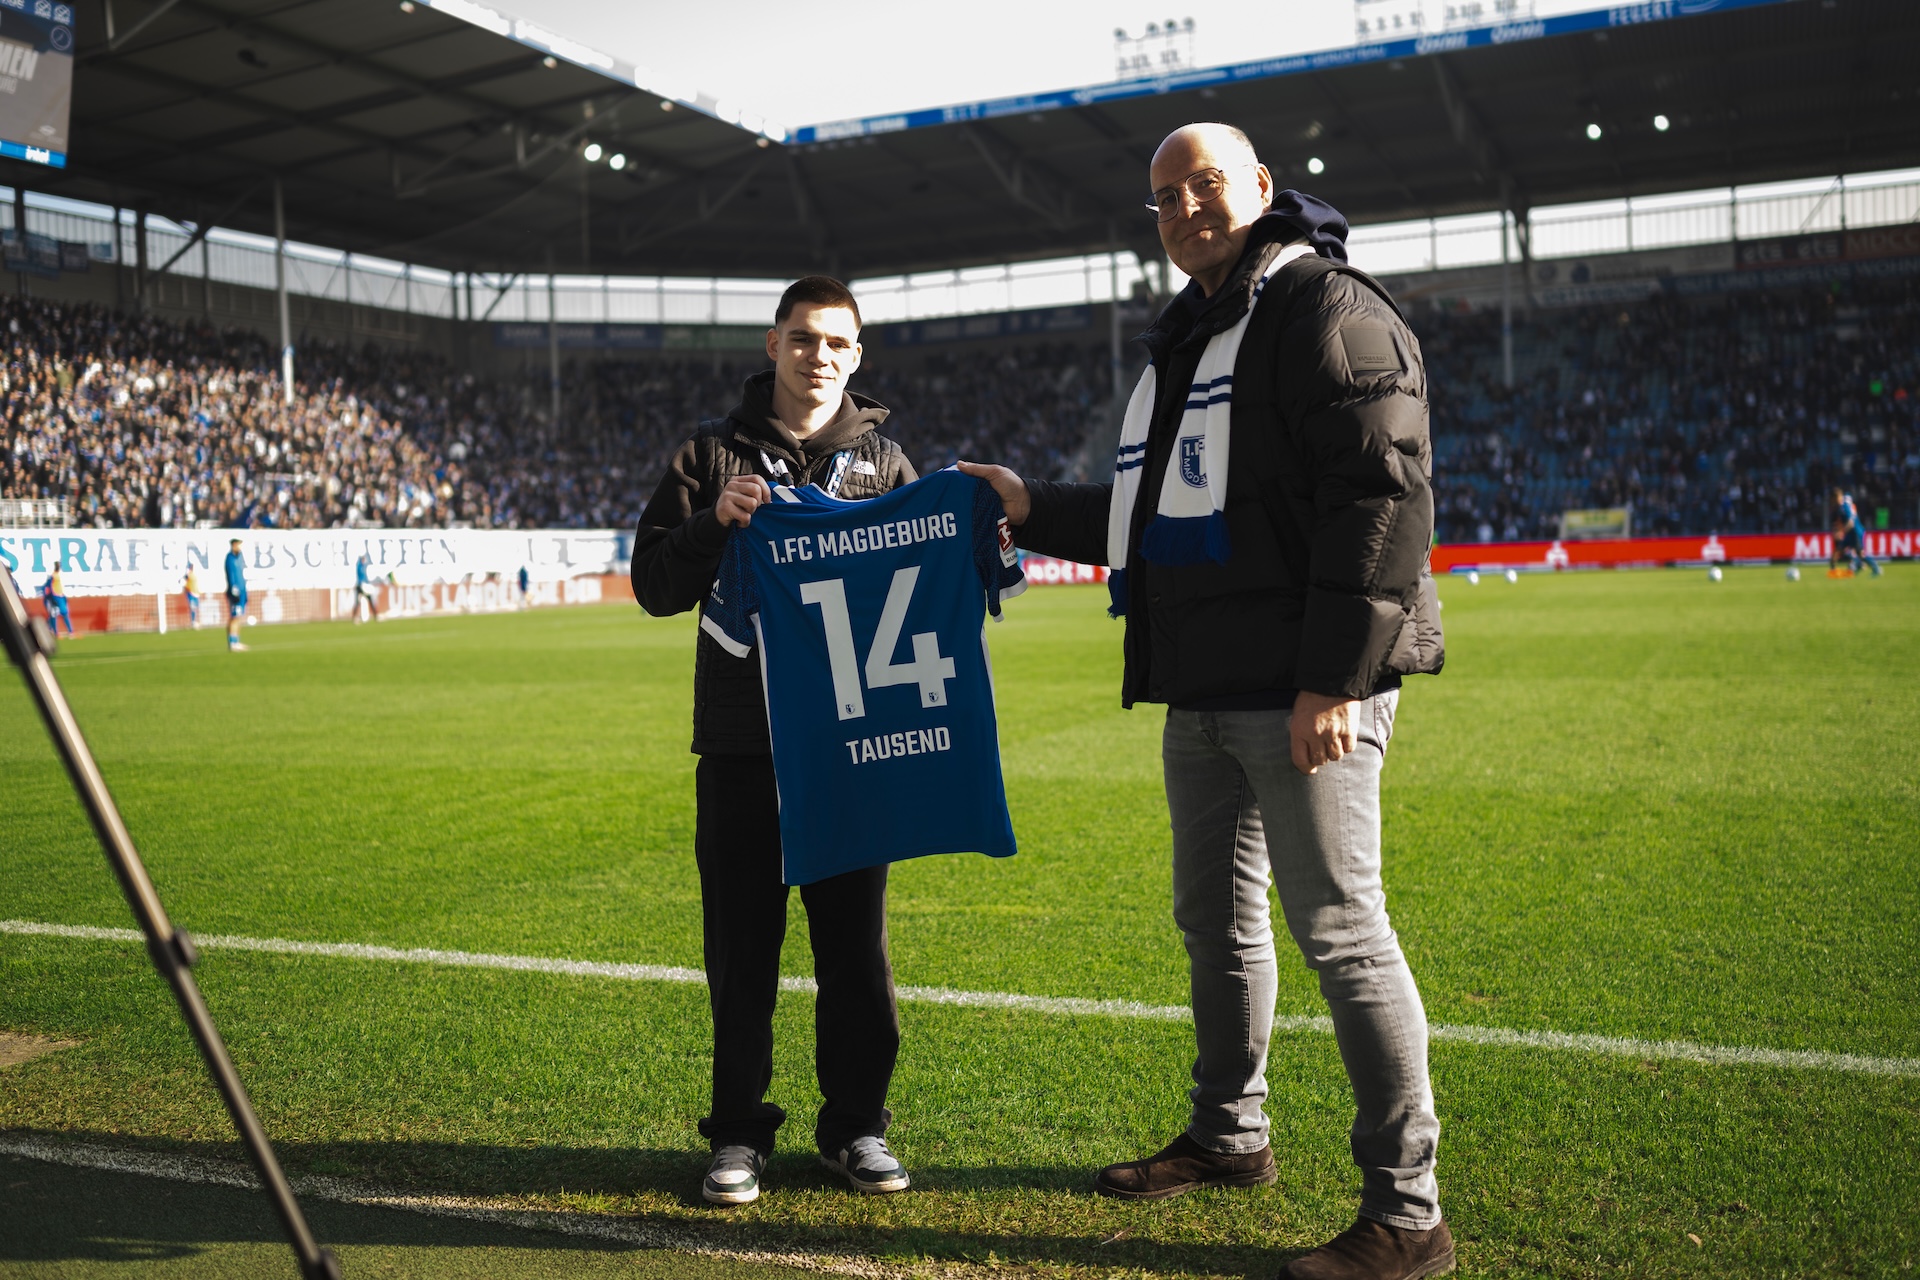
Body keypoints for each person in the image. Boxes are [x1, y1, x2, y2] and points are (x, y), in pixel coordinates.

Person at [960, 123, 1448, 1280]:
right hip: (1206, 682)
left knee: (1340, 930)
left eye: (1207, 183)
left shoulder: (1324, 307)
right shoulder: (1200, 333)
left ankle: (1408, 1208)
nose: (1186, 207)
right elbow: (1160, 522)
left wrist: (1335, 674)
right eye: (1165, 197)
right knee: (1218, 926)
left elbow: (1384, 493)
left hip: (1304, 686)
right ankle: (1231, 1134)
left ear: (1263, 188)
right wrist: (1031, 504)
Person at [631, 276, 919, 1208]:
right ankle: (738, 1137)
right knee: (742, 952)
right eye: (803, 338)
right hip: (741, 745)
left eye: (837, 341)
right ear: (773, 344)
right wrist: (715, 524)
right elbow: (651, 586)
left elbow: (920, 594)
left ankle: (856, 1129)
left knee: (854, 954)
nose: (820, 355)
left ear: (858, 354)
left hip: (851, 751)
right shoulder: (709, 458)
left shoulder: (887, 466)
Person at [1828, 487, 1881, 578]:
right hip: (1851, 533)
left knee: (1860, 554)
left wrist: (1842, 531)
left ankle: (1876, 568)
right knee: (1838, 550)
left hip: (1855, 532)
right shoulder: (1844, 502)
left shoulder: (1843, 508)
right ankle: (1833, 571)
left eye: (1833, 499)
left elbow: (1851, 523)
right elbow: (1848, 496)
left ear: (1836, 498)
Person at [223, 538, 250, 651]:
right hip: (235, 591)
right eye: (239, 545)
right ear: (234, 545)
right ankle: (232, 643)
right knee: (235, 617)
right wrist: (234, 589)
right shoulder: (230, 558)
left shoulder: (239, 557)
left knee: (239, 617)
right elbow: (230, 575)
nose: (240, 547)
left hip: (242, 590)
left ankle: (236, 641)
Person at [43, 562, 74, 637]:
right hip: (56, 596)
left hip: (60, 596)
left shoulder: (57, 575)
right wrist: (52, 596)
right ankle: (55, 631)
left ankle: (69, 631)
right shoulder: (53, 576)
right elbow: (49, 586)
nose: (58, 567)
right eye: (58, 566)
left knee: (59, 613)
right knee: (56, 614)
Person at [354, 554, 379, 623]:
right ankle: (355, 617)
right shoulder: (360, 566)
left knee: (369, 600)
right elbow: (361, 577)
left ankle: (376, 616)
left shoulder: (363, 566)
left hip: (364, 586)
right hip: (360, 586)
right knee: (358, 602)